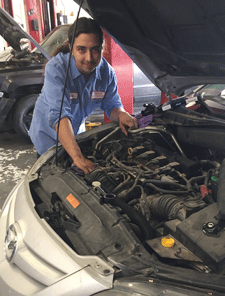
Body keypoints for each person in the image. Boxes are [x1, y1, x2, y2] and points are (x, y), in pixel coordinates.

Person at [29, 17, 138, 174]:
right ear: (71, 47)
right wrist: (77, 157)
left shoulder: (106, 73)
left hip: (74, 131)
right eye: (81, 49)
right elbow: (59, 115)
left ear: (102, 48)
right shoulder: (57, 69)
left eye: (95, 50)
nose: (89, 58)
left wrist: (122, 114)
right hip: (48, 136)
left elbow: (112, 105)